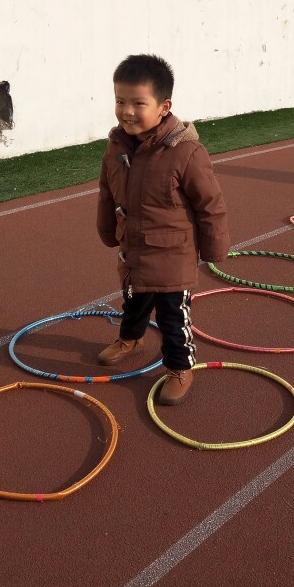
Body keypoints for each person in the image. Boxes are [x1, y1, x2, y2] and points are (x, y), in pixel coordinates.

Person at [96, 54, 230, 405]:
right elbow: (107, 192)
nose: (126, 111)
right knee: (133, 301)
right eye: (120, 101)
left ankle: (180, 367)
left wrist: (214, 249)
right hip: (134, 249)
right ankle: (131, 338)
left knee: (172, 318)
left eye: (138, 103)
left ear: (163, 107)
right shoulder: (116, 147)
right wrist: (108, 230)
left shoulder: (186, 151)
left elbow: (210, 203)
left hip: (173, 255)